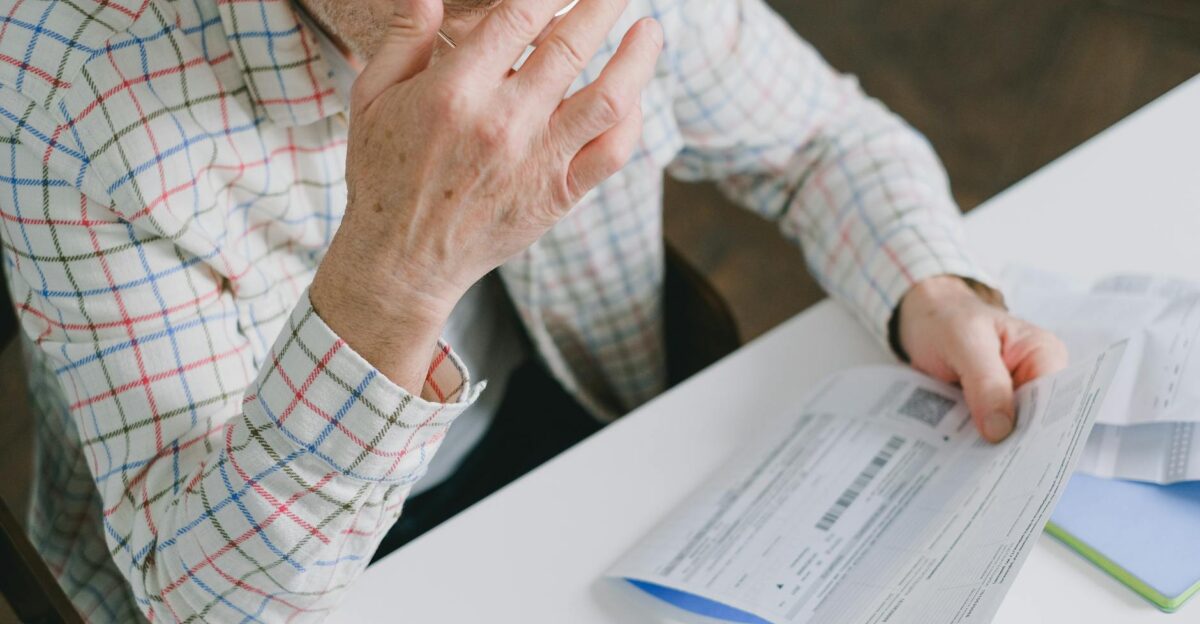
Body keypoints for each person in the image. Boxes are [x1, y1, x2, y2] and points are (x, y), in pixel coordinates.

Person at [0, 0, 1066, 620]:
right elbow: (211, 604)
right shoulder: (65, 85)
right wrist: (399, 268)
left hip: (575, 428)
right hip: (264, 555)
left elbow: (825, 139)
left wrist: (930, 287)